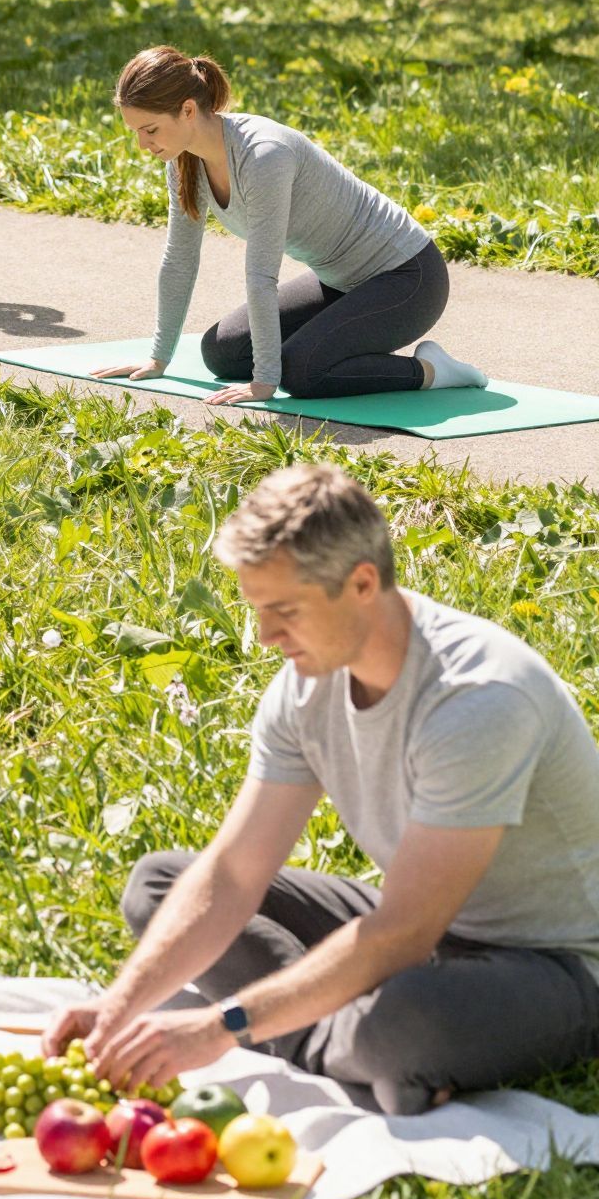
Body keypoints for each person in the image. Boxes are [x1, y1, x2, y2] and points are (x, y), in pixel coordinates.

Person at [45, 465, 599, 1114]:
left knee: (406, 1021)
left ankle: (347, 1036)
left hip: (558, 963)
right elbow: (234, 873)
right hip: (429, 928)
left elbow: (403, 933)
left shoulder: (477, 699)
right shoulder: (307, 685)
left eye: (285, 611)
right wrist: (119, 1008)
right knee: (161, 885)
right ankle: (351, 1045)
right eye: (257, 610)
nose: (265, 637)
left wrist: (220, 1027)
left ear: (362, 583)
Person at [95, 44, 485, 404]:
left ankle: (433, 371)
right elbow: (179, 260)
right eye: (136, 131)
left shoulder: (264, 154)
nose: (142, 144)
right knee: (223, 351)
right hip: (337, 281)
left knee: (300, 373)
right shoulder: (183, 161)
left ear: (187, 110)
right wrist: (158, 358)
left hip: (407, 277)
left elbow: (261, 275)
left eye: (150, 130)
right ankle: (337, 342)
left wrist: (264, 382)